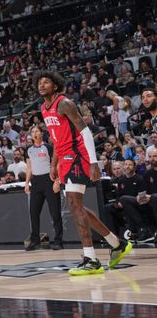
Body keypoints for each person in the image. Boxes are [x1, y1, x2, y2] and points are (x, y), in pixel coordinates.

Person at [38, 71, 132, 275]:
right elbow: (55, 139)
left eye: (46, 82)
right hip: (63, 158)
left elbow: (85, 131)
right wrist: (53, 164)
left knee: (74, 205)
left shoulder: (64, 103)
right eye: (39, 82)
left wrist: (94, 162)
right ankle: (116, 244)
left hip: (77, 155)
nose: (41, 85)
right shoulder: (43, 109)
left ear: (55, 86)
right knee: (76, 206)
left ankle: (91, 259)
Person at [24, 125, 63, 250]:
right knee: (33, 213)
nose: (34, 133)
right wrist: (26, 183)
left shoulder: (48, 147)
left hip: (48, 180)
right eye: (32, 131)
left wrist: (57, 180)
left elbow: (56, 164)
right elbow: (29, 168)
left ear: (41, 133)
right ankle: (35, 241)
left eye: (36, 131)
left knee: (55, 212)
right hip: (35, 182)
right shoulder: (28, 150)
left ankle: (58, 241)